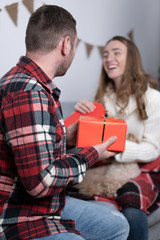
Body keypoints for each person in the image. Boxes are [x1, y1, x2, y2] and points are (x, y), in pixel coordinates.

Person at [0, 6, 130, 240]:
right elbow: (40, 183)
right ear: (66, 44)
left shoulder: (29, 83)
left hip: (44, 204)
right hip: (18, 214)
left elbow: (35, 153)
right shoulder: (30, 93)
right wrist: (92, 154)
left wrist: (66, 138)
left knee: (118, 226)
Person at [73, 36, 160, 240]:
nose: (109, 58)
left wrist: (118, 146)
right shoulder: (102, 98)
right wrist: (81, 116)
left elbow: (153, 149)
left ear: (131, 59)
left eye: (116, 52)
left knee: (131, 204)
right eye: (105, 54)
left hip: (143, 168)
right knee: (70, 186)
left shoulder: (154, 98)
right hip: (106, 166)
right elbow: (92, 138)